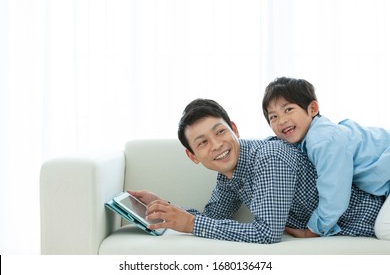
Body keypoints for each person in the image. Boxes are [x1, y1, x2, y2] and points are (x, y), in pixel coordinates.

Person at [130, 98, 384, 244]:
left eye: (220, 132)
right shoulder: (230, 174)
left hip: (375, 219)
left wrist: (190, 224)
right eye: (203, 142)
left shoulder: (269, 158)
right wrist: (164, 207)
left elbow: (267, 233)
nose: (217, 145)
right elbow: (213, 217)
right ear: (192, 156)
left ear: (234, 129)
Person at [262, 77, 390, 240]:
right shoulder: (307, 139)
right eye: (273, 117)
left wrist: (314, 230)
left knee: (384, 229)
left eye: (288, 109)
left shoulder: (323, 140)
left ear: (313, 109)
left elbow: (334, 194)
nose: (282, 120)